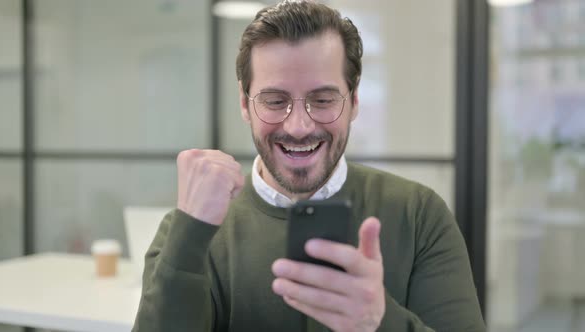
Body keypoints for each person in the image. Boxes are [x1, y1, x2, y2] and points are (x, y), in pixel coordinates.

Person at [132, 1, 486, 331]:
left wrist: (379, 322)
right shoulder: (194, 228)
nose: (299, 126)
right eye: (274, 100)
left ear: (355, 101)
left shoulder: (419, 214)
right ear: (244, 103)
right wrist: (190, 234)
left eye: (323, 100)